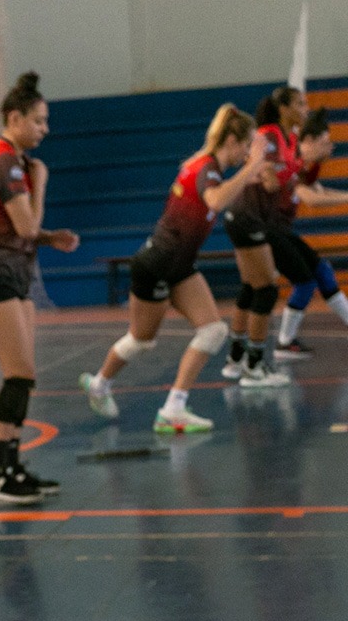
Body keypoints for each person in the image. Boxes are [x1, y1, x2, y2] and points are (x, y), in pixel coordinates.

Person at [79, 104, 268, 433]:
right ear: (232, 140)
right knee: (141, 339)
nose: (248, 151)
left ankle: (173, 408)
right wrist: (253, 166)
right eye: (247, 144)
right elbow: (216, 200)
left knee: (213, 330)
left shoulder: (207, 167)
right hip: (157, 265)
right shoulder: (207, 169)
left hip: (178, 265)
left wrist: (253, 171)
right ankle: (99, 384)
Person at [0, 72, 79, 505]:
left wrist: (49, 237)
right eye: (38, 120)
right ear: (14, 118)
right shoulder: (6, 163)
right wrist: (42, 183)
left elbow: (24, 231)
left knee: (24, 377)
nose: (44, 129)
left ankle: (11, 466)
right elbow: (27, 226)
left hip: (14, 275)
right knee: (18, 374)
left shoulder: (14, 161)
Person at [220, 86, 308, 386]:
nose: (305, 108)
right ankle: (254, 367)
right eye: (300, 104)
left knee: (250, 287)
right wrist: (277, 175)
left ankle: (235, 360)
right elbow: (265, 176)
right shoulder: (268, 136)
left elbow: (283, 175)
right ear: (283, 108)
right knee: (266, 291)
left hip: (249, 217)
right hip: (247, 216)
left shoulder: (289, 138)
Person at [272, 107, 348, 357]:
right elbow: (311, 199)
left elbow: (319, 191)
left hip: (280, 230)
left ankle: (283, 341)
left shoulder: (305, 166)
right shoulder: (291, 161)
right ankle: (280, 343)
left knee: (321, 272)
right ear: (309, 141)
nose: (331, 147)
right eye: (325, 142)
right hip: (267, 231)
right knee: (303, 282)